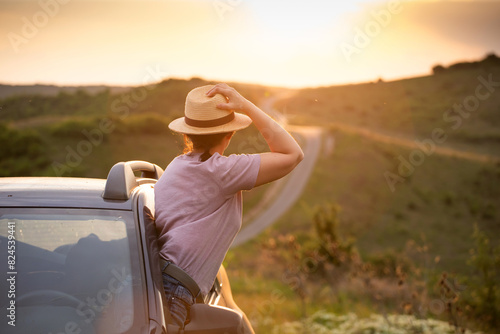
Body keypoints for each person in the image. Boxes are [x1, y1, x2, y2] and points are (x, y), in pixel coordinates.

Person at [154, 83, 304, 328]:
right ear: (230, 133)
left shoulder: (177, 165)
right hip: (174, 292)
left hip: (159, 282)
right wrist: (246, 105)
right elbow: (292, 154)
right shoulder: (220, 171)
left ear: (187, 133)